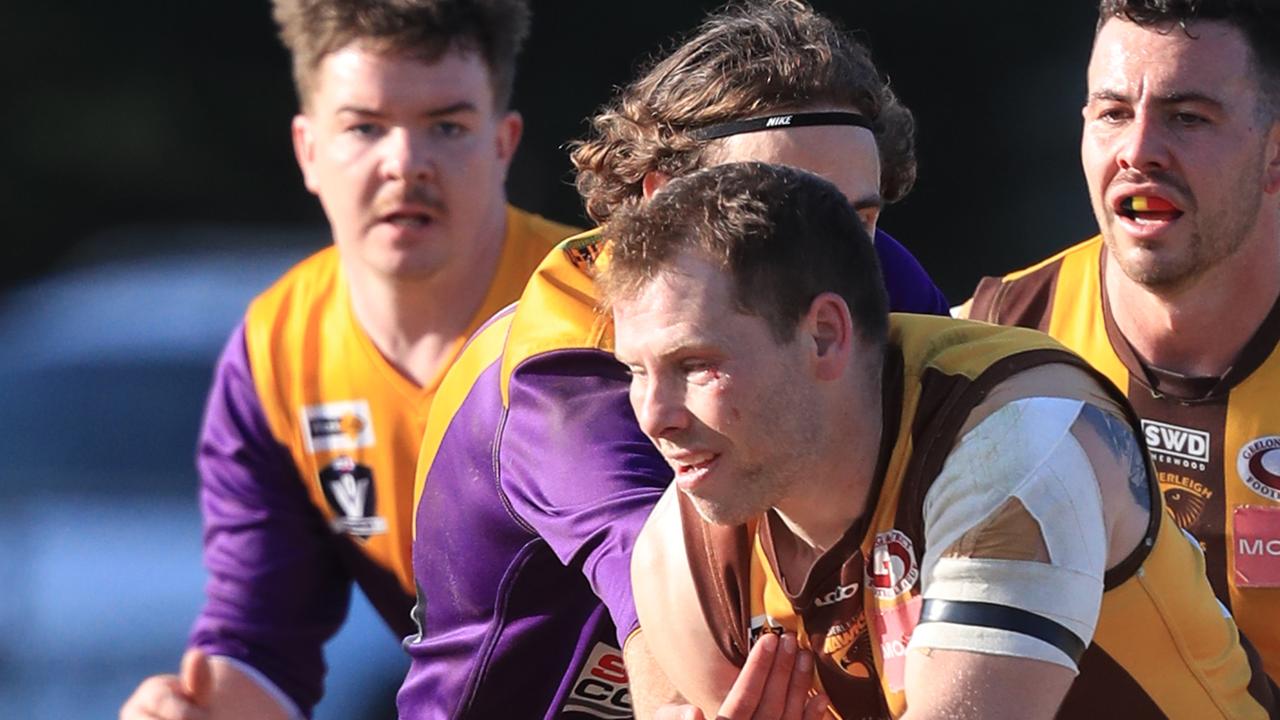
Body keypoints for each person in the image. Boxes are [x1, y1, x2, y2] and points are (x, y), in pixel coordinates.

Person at [397, 2, 948, 718]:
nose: (829, 257)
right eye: (773, 216)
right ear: (663, 199)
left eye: (858, 217)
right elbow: (648, 588)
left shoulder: (860, 273)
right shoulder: (563, 370)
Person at [612, 161, 1278, 720]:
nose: (654, 416)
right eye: (636, 373)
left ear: (824, 334)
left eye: (695, 365)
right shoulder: (682, 552)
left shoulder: (1017, 439)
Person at [118, 1, 575, 718]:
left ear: (503, 144)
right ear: (307, 150)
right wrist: (192, 710)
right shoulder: (276, 350)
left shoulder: (605, 305)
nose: (406, 163)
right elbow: (262, 643)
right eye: (364, 127)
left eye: (447, 126)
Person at [961, 0, 1280, 680]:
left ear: (1275, 149)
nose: (1137, 151)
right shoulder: (992, 343)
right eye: (1111, 114)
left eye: (1187, 117)